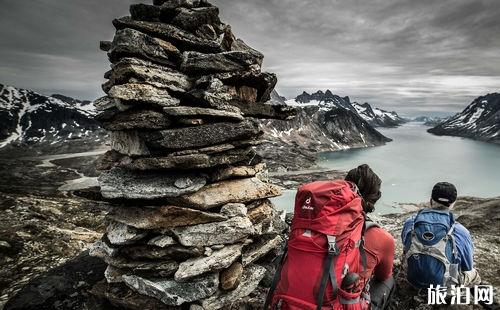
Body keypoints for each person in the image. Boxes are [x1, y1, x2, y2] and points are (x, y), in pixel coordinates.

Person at [401, 182, 481, 291]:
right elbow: (467, 266)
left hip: (413, 279)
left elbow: (405, 247)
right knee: (474, 274)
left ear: (430, 200)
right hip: (443, 286)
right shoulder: (461, 231)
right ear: (453, 204)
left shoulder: (411, 222)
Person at [345, 164, 396, 310]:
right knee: (388, 280)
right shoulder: (382, 238)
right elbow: (383, 275)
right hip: (342, 303)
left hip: (299, 299)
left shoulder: (318, 222)